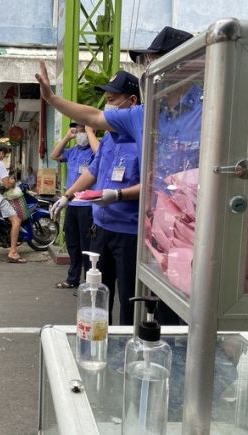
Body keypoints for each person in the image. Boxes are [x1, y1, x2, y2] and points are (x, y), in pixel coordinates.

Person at [37, 26, 195, 325]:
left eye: (153, 61)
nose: (149, 70)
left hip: (150, 232)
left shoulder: (206, 110)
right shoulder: (143, 117)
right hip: (115, 227)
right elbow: (93, 123)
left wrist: (119, 195)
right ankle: (109, 347)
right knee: (101, 296)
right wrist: (52, 99)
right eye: (146, 63)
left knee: (142, 306)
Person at [50, 72, 141, 325]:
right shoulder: (110, 138)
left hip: (129, 234)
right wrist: (67, 196)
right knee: (97, 297)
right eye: (107, 99)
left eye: (113, 99)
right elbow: (93, 172)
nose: (108, 105)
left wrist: (118, 194)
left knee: (129, 299)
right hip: (100, 227)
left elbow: (153, 185)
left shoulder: (142, 138)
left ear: (132, 102)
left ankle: (125, 350)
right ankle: (100, 345)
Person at [51, 123, 98, 291]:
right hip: (71, 202)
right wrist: (67, 137)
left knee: (86, 245)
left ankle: (88, 282)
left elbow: (100, 154)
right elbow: (54, 155)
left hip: (88, 205)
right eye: (77, 130)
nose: (80, 133)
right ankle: (73, 278)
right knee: (72, 243)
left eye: (82, 130)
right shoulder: (73, 151)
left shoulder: (95, 149)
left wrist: (90, 133)